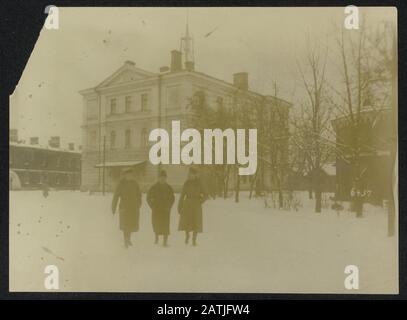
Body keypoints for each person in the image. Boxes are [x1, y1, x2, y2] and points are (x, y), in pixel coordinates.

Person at [111, 168, 142, 248]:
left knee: (131, 224)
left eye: (131, 175)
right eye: (128, 175)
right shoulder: (121, 184)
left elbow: (139, 194)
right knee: (125, 225)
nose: (129, 176)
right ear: (125, 175)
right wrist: (113, 207)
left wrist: (139, 203)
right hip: (124, 207)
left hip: (133, 208)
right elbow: (116, 196)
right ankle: (125, 240)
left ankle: (128, 239)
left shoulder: (135, 183)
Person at [178, 167, 207, 246]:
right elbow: (182, 195)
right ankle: (187, 235)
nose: (190, 176)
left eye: (191, 174)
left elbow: (206, 195)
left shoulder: (199, 183)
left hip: (196, 206)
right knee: (187, 222)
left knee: (196, 223)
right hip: (187, 205)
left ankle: (194, 240)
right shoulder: (186, 183)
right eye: (189, 174)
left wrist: (200, 201)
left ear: (195, 175)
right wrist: (179, 206)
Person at [147, 170, 175, 247]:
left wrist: (169, 207)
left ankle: (165, 242)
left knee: (165, 225)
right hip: (156, 210)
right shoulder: (154, 187)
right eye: (161, 178)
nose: (163, 179)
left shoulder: (169, 188)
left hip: (165, 210)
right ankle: (156, 238)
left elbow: (172, 198)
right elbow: (148, 198)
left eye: (164, 178)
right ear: (158, 178)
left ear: (166, 178)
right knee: (156, 224)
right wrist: (152, 206)